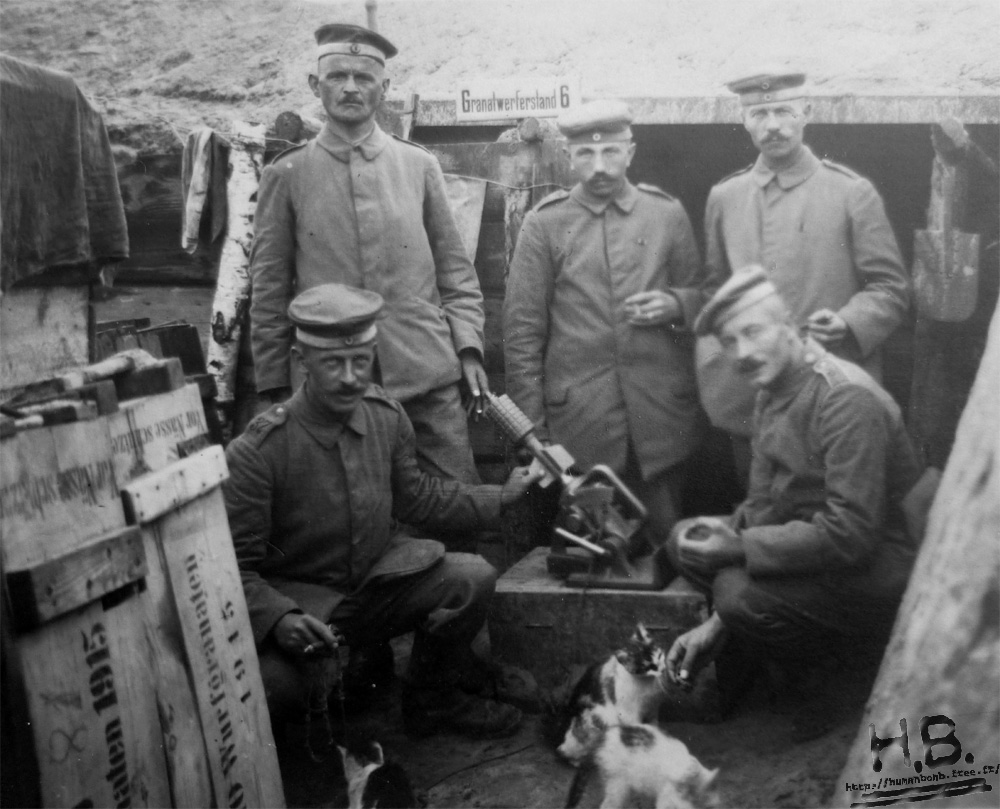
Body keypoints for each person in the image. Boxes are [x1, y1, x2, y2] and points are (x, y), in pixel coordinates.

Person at [224, 283, 542, 740]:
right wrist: (280, 619)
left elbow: (420, 498)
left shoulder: (385, 417)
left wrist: (500, 497)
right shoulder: (260, 450)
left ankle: (430, 698)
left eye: (361, 360)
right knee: (275, 687)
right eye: (333, 363)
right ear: (300, 360)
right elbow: (235, 569)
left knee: (471, 578)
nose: (350, 377)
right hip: (309, 609)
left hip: (377, 587)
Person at [662, 267, 922, 707]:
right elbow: (765, 502)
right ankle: (754, 653)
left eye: (752, 332)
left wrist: (738, 553)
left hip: (885, 559)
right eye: (729, 341)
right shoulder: (774, 388)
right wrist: (727, 539)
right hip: (819, 544)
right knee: (683, 541)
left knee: (738, 596)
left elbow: (852, 535)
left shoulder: (844, 397)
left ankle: (837, 683)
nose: (742, 353)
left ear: (789, 326)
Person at [249, 23, 487, 485]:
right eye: (337, 76)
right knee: (343, 511)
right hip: (331, 386)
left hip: (425, 375)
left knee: (460, 502)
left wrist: (469, 350)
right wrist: (275, 385)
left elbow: (457, 275)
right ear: (315, 85)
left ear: (385, 87)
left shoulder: (419, 165)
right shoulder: (287, 173)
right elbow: (269, 290)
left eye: (364, 77)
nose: (351, 87)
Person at [503, 99, 715, 549]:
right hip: (581, 430)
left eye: (611, 152)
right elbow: (522, 335)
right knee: (590, 553)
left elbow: (705, 300)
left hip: (660, 425)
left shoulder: (666, 214)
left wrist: (675, 304)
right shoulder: (544, 223)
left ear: (630, 153)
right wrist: (533, 435)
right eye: (586, 153)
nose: (599, 166)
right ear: (569, 156)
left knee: (666, 550)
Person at [698, 69, 910, 469]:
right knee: (759, 497)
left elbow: (890, 287)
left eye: (784, 111)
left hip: (830, 392)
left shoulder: (851, 192)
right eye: (760, 114)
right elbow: (714, 290)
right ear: (744, 119)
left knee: (836, 499)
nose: (773, 125)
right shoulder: (725, 197)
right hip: (752, 398)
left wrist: (848, 322)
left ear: (806, 112)